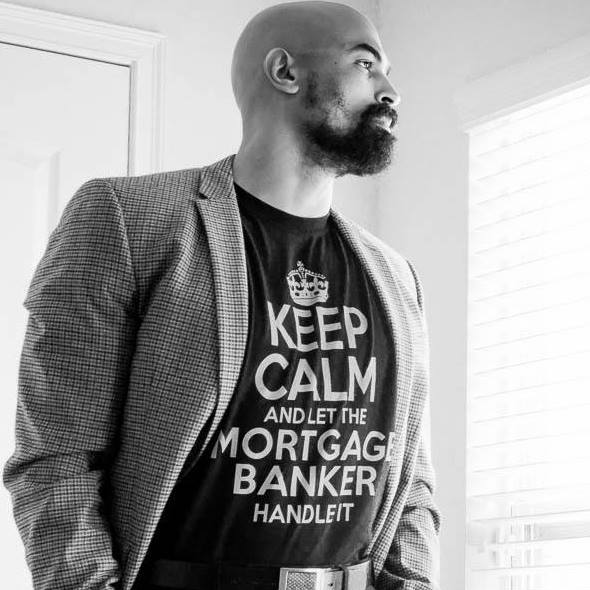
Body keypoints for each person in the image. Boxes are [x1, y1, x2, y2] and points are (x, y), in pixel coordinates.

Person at [3, 2, 441, 590]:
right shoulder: (128, 220)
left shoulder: (396, 275)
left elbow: (411, 482)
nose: (390, 91)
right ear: (285, 71)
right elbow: (57, 458)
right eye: (366, 64)